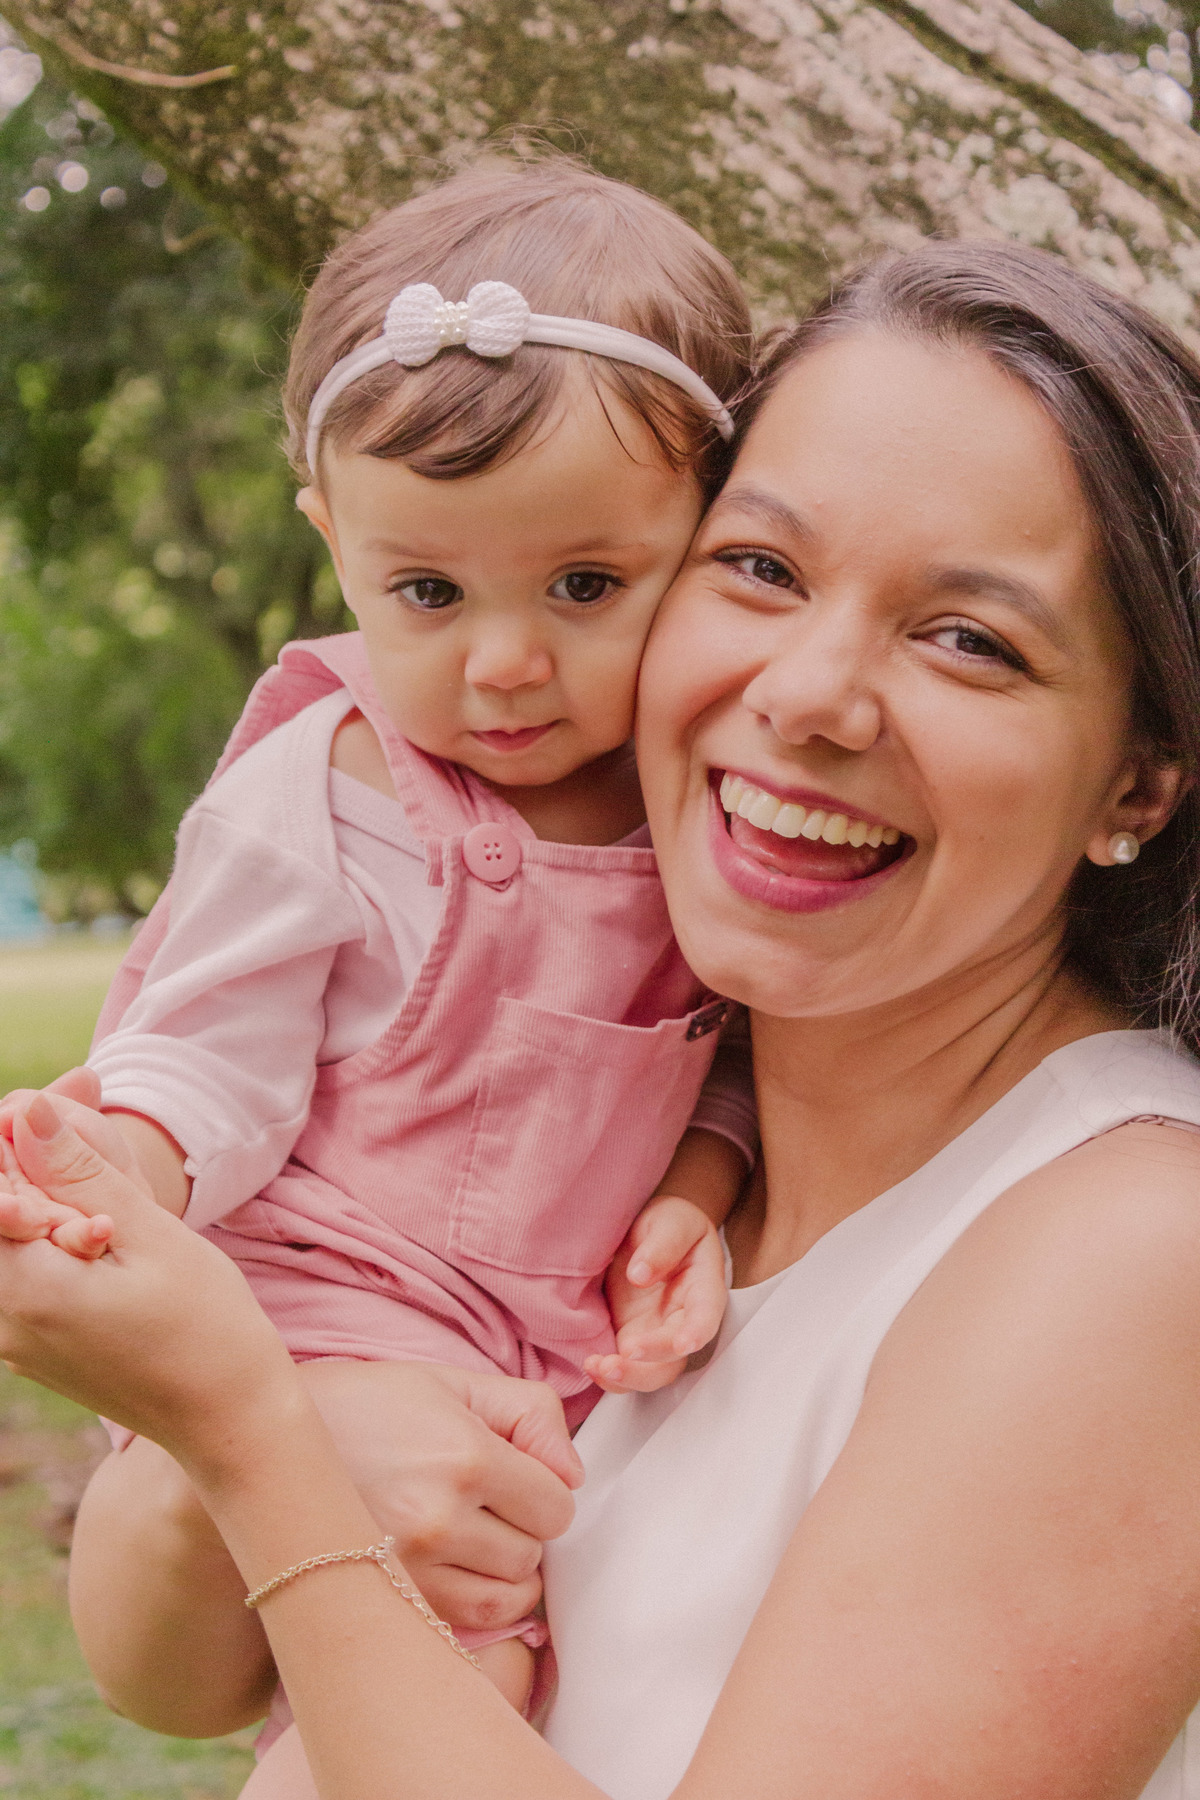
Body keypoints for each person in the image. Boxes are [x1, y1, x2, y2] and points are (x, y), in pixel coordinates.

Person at [7, 236, 1200, 1800]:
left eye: (968, 638)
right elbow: (160, 1675)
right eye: (763, 570)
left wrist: (255, 1430)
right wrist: (239, 1422)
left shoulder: (1132, 1252)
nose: (811, 694)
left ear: (1136, 784)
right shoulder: (629, 1144)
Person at [0, 158, 760, 1759]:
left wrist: (699, 1186)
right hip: (325, 1306)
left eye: (584, 585)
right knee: (452, 1672)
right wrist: (119, 1173)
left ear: (712, 530)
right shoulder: (339, 787)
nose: (501, 662)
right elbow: (207, 1048)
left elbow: (737, 1054)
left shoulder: (713, 795)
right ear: (329, 534)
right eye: (425, 588)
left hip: (543, 1359)